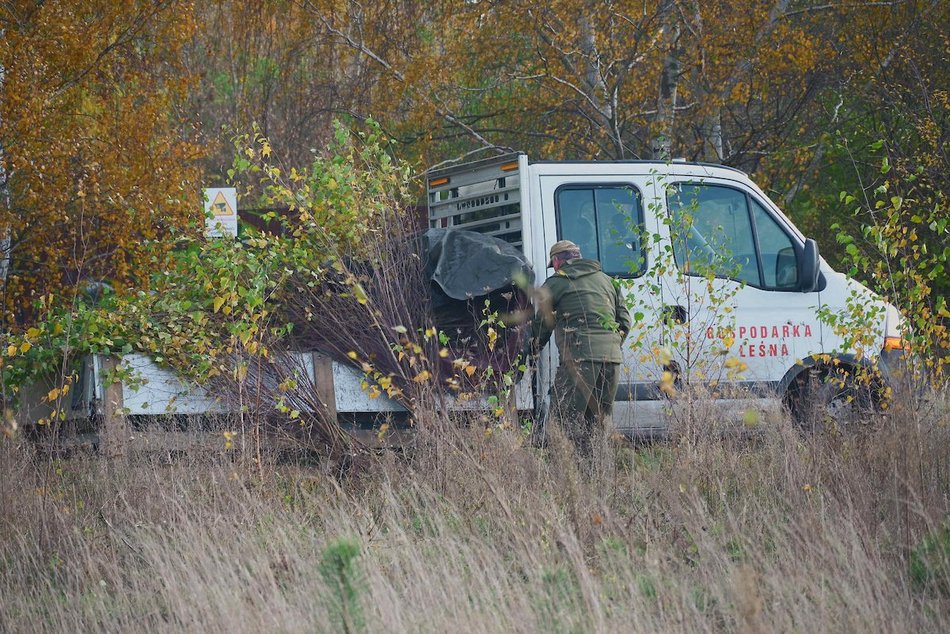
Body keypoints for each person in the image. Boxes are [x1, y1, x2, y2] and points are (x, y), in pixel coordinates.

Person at [523, 240, 631, 456]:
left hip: (580, 360)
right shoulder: (607, 281)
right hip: (612, 360)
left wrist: (530, 349)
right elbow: (625, 321)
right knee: (599, 424)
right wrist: (610, 346)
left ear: (556, 261)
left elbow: (542, 323)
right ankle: (599, 481)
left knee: (563, 422)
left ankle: (566, 480)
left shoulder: (556, 282)